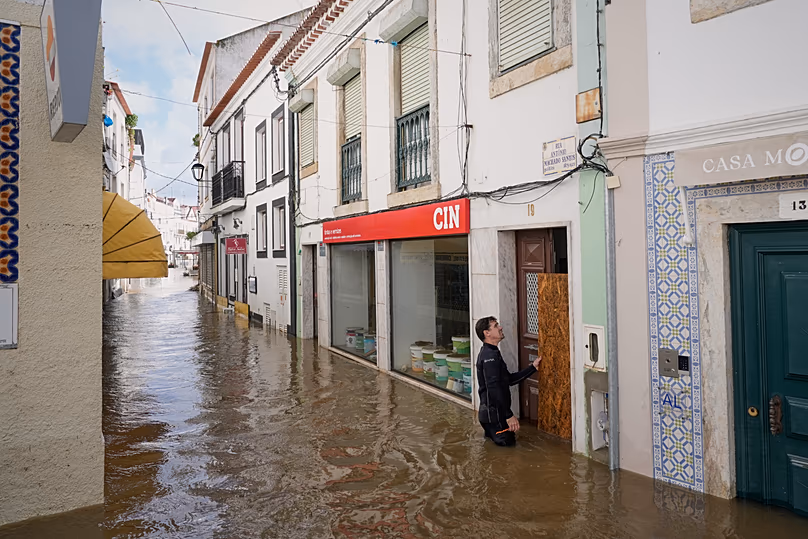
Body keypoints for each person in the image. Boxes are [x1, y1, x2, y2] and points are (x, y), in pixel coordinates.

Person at [475, 316, 541, 446]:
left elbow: (508, 380)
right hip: (495, 416)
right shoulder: (490, 357)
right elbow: (493, 389)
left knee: (493, 451)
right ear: (486, 333)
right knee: (508, 452)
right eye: (496, 326)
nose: (500, 327)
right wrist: (508, 415)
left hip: (490, 415)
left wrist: (533, 368)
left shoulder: (492, 353)